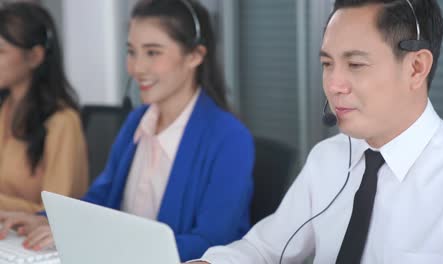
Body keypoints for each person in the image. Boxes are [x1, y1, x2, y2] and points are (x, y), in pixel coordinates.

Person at [189, 0, 443, 263]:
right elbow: (262, 248)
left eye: (355, 64)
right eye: (327, 64)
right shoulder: (328, 157)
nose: (333, 85)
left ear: (416, 68)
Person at [0, 0, 255, 261]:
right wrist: (45, 220)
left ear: (195, 56)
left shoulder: (229, 139)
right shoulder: (137, 121)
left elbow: (213, 240)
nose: (137, 68)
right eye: (131, 52)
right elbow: (102, 196)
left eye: (153, 53)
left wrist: (99, 240)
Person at [0, 2, 88, 213]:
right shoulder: (4, 109)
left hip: (36, 241)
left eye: (0, 51)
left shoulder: (62, 122)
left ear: (35, 57)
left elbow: (57, 212)